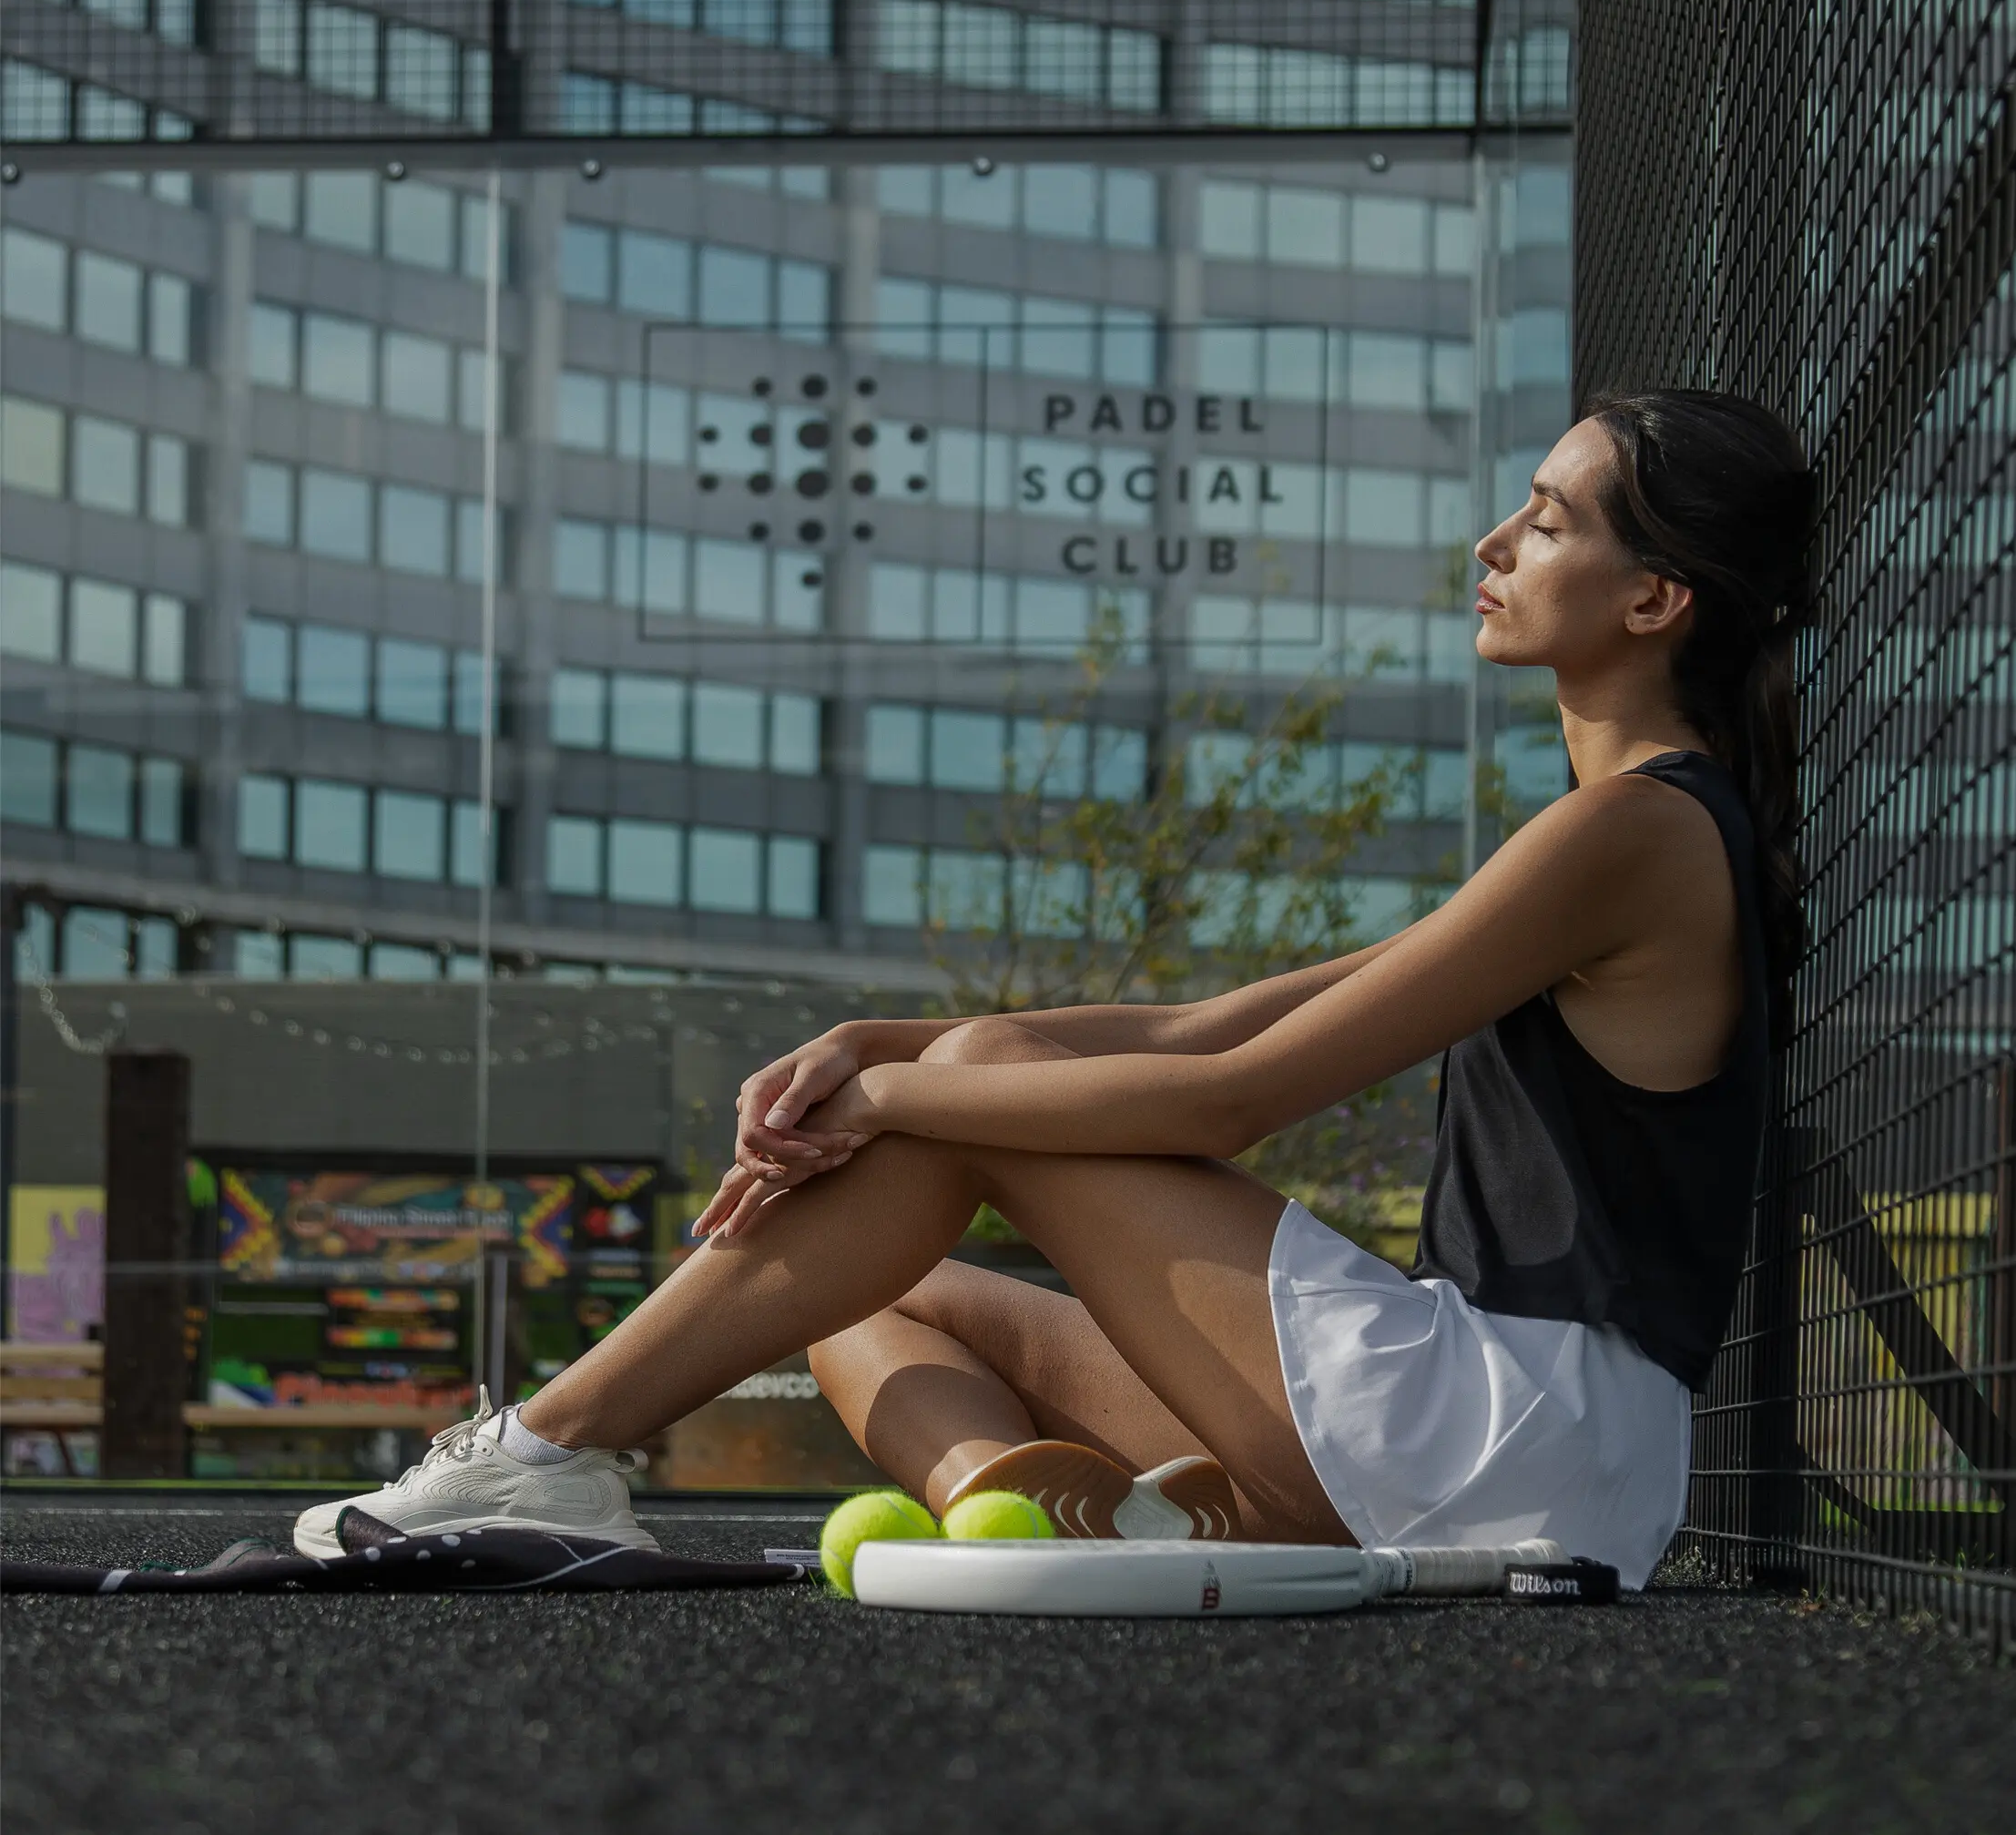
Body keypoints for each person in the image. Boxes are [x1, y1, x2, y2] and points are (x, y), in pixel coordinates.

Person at [295, 391, 1815, 1590]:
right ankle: (1015, 1513)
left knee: (961, 1092)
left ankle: (538, 1449)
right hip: (1514, 1454)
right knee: (872, 1284)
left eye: (1543, 523)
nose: (1491, 543)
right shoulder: (1625, 831)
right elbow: (1212, 1024)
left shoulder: (1632, 830)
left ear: (1651, 600)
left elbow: (1235, 1094)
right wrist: (879, 1040)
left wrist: (901, 1091)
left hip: (1511, 1429)